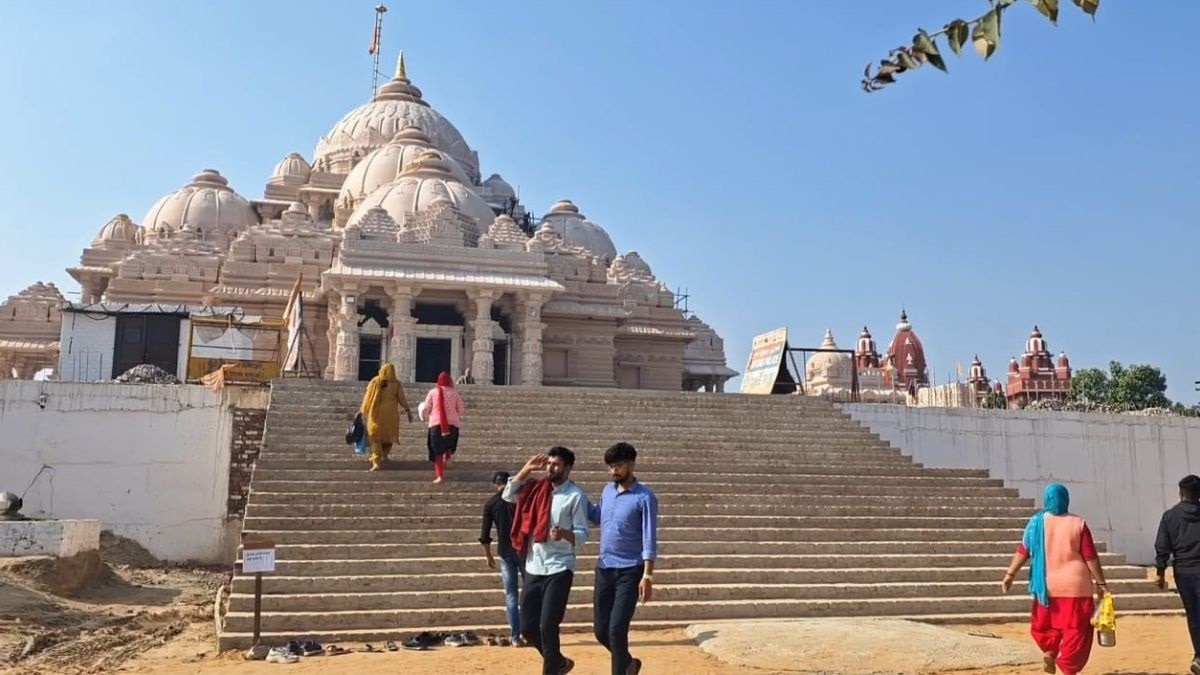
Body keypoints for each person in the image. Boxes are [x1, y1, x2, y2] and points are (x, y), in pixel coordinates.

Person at [1001, 483, 1109, 675]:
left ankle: (1050, 652)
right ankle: (1067, 666)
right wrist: (1101, 583)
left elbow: (1024, 550)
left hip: (1047, 586)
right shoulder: (1078, 523)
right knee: (1076, 629)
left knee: (1048, 625)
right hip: (1076, 586)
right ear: (1066, 499)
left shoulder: (1036, 523)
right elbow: (1090, 556)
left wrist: (1010, 574)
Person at [503, 448, 589, 675]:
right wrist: (526, 469)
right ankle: (559, 663)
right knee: (528, 628)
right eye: (549, 463)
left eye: (556, 464)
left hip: (560, 567)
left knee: (548, 625)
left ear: (568, 468)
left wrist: (564, 534)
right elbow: (508, 495)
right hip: (534, 565)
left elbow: (583, 534)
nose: (551, 468)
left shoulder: (575, 496)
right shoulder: (535, 488)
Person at [588, 442, 658, 675]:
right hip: (604, 567)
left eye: (618, 466)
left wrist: (647, 575)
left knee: (617, 630)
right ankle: (629, 663)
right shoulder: (607, 491)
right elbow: (597, 517)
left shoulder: (645, 497)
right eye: (610, 466)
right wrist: (579, 500)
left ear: (631, 464)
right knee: (601, 631)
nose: (613, 471)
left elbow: (649, 537)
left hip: (630, 570)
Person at [1154, 474, 1200, 674]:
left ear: (1181, 493)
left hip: (1184, 572)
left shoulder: (1170, 516)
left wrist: (1160, 572)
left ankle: (1199, 655)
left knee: (1194, 615)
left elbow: (1162, 546)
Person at [480, 470, 525, 647]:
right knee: (530, 592)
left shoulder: (490, 504)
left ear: (495, 485)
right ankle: (531, 631)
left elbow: (485, 534)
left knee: (511, 595)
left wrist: (488, 555)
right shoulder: (518, 499)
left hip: (505, 552)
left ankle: (515, 637)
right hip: (523, 549)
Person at [358, 363, 412, 472]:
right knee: (388, 436)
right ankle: (385, 455)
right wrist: (408, 410)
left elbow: (368, 397)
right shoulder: (396, 384)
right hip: (391, 415)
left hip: (376, 414)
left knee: (375, 437)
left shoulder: (375, 381)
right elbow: (402, 398)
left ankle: (376, 462)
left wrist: (362, 411)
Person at [419, 371, 464, 483]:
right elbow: (461, 409)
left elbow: (427, 408)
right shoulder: (454, 393)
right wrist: (453, 415)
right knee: (448, 444)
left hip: (436, 424)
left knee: (437, 451)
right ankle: (448, 458)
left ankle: (439, 475)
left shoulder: (432, 392)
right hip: (452, 425)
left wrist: (423, 414)